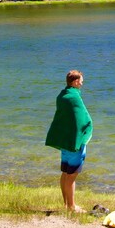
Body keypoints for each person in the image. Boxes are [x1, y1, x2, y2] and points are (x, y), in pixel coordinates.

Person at [45, 70, 93, 213]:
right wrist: (86, 129)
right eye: (81, 80)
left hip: (65, 141)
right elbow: (81, 119)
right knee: (71, 175)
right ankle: (72, 207)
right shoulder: (74, 98)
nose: (83, 83)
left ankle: (66, 204)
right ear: (76, 81)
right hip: (74, 142)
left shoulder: (62, 95)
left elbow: (65, 118)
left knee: (65, 173)